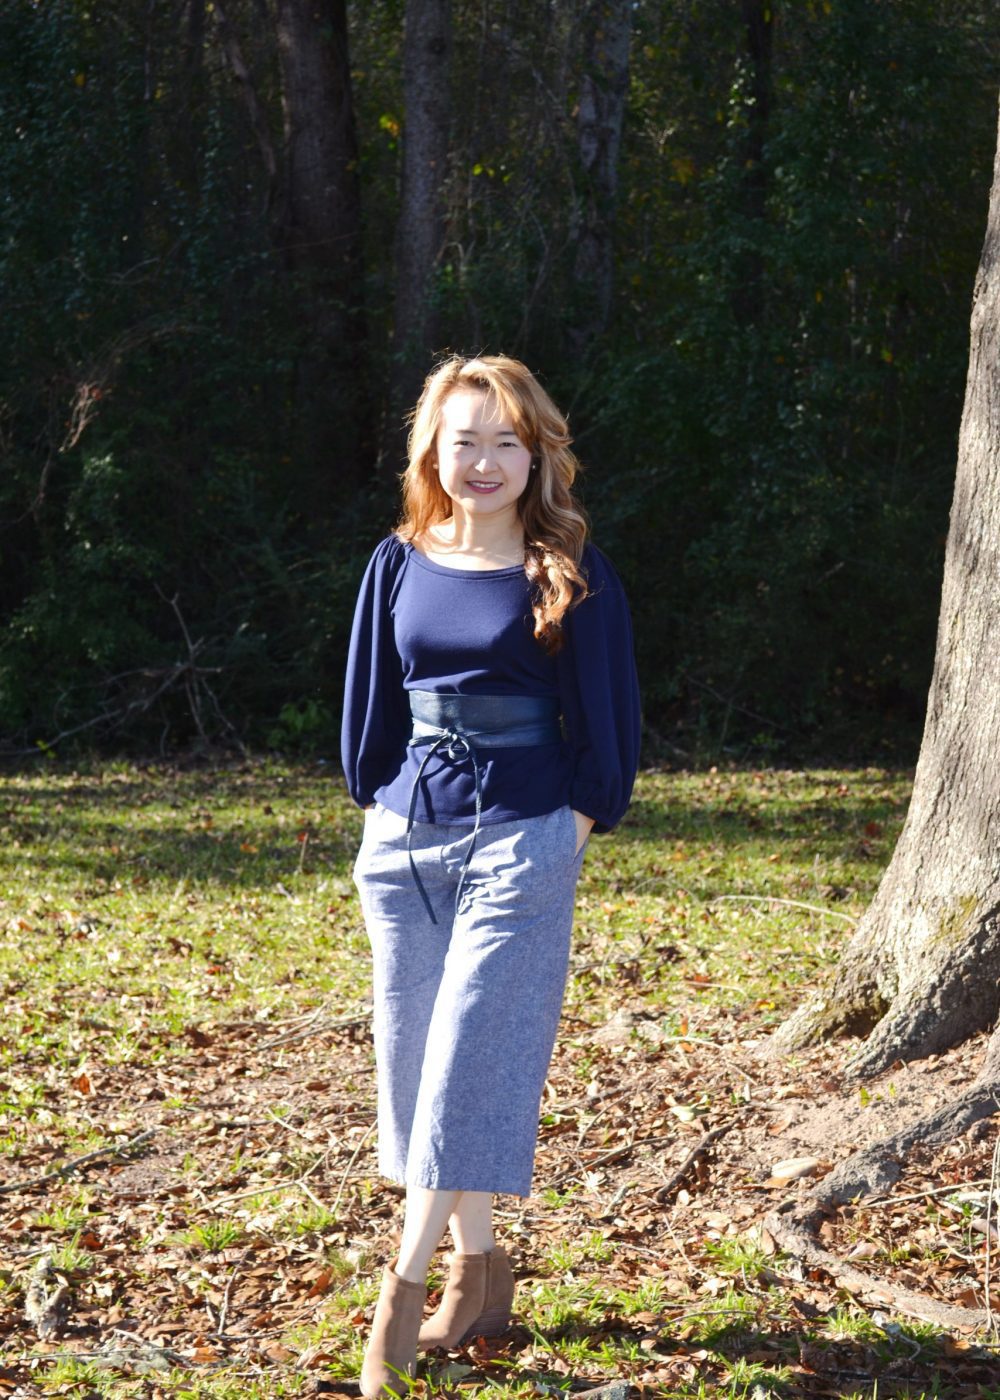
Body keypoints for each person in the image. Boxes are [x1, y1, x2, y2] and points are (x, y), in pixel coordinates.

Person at [341, 354, 640, 1397]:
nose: (483, 461)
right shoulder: (397, 561)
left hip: (523, 838)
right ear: (432, 450)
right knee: (416, 1065)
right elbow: (370, 705)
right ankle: (482, 1275)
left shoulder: (571, 569)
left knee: (470, 1060)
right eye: (464, 440)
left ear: (536, 453)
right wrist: (379, 811)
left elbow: (611, 719)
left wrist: (572, 824)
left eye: (505, 441)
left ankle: (402, 1293)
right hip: (405, 842)